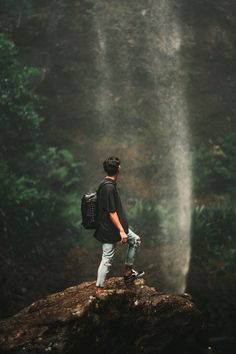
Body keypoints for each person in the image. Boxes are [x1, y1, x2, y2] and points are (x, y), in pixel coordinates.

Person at [94, 156, 144, 297]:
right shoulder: (108, 187)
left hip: (114, 227)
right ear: (118, 169)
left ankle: (128, 273)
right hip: (110, 229)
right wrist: (121, 231)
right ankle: (99, 288)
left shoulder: (106, 183)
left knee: (135, 240)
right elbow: (111, 212)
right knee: (107, 258)